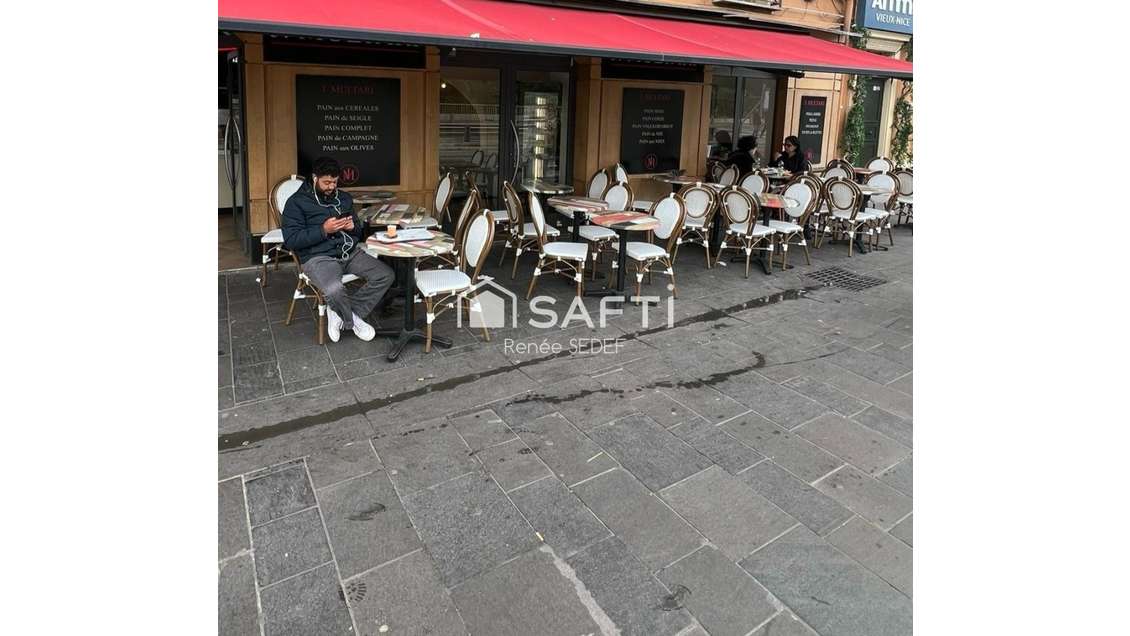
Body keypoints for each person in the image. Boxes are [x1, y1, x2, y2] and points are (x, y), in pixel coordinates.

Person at [282, 156, 395, 343]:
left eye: (334, 182)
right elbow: (292, 241)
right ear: (314, 177)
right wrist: (323, 230)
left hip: (349, 252)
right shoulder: (296, 202)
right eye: (326, 182)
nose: (331, 187)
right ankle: (352, 321)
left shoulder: (344, 198)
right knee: (334, 290)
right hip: (317, 258)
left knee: (386, 274)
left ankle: (339, 312)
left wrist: (353, 228)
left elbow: (358, 232)